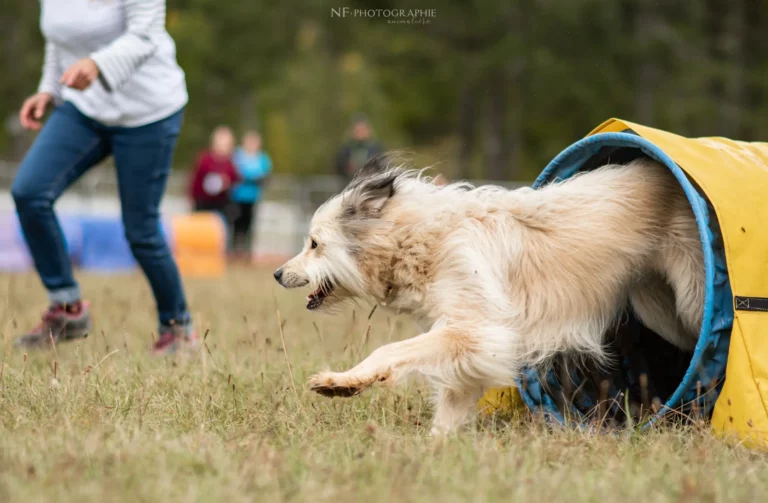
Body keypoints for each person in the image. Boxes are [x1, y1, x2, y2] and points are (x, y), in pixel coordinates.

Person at [13, 0, 196, 355]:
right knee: (29, 192)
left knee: (140, 231)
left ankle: (177, 329)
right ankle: (67, 308)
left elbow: (145, 35)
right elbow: (60, 39)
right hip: (85, 109)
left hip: (149, 112)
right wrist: (49, 89)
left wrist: (97, 63)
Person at [230, 130, 272, 258]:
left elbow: (264, 177)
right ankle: (233, 251)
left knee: (249, 226)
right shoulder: (237, 155)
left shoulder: (263, 158)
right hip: (236, 197)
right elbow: (235, 173)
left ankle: (247, 252)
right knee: (235, 225)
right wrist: (251, 178)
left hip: (253, 198)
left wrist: (247, 177)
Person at [188, 126, 239, 215]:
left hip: (221, 203)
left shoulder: (230, 163)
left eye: (225, 145)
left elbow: (235, 178)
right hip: (202, 201)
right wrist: (191, 196)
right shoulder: (205, 159)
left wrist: (227, 183)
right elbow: (195, 179)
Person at [334, 114, 383, 185]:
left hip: (370, 185)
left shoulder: (375, 148)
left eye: (362, 130)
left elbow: (382, 165)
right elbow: (338, 166)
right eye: (357, 130)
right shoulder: (347, 148)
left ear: (368, 130)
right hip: (349, 185)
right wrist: (347, 167)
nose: (360, 133)